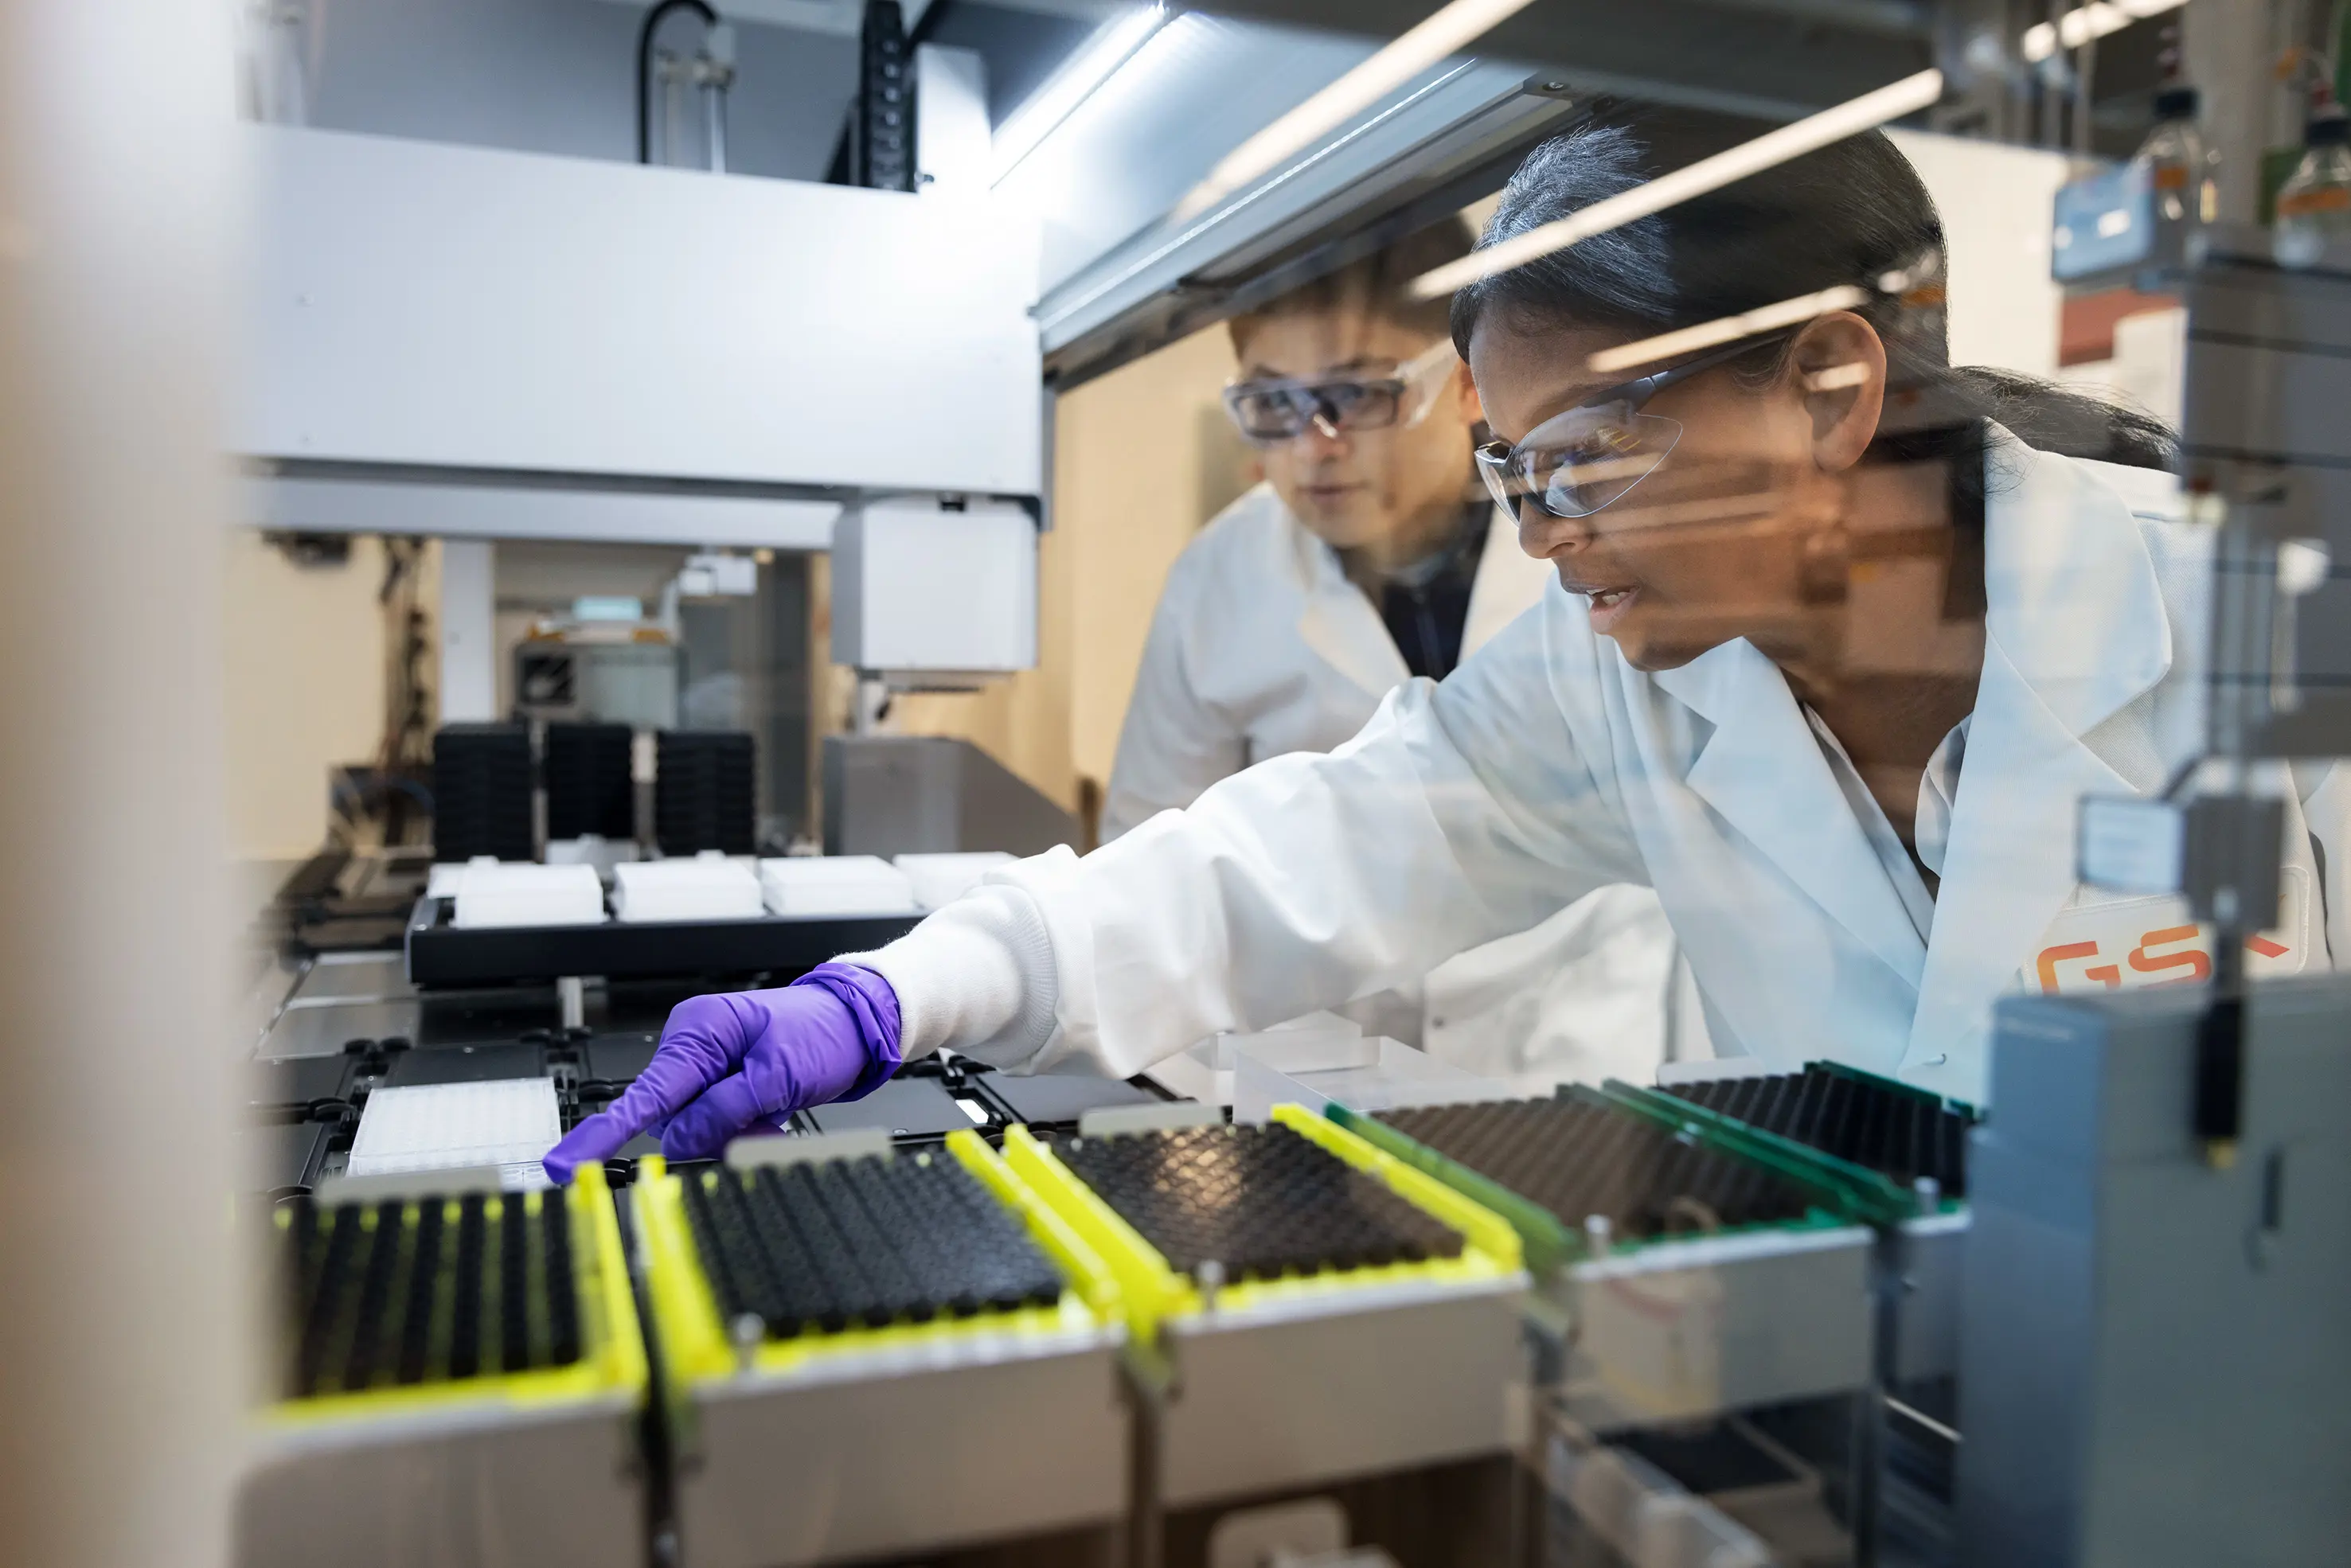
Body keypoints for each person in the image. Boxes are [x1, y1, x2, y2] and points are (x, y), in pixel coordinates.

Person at [545, 115, 2341, 1182]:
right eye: (1510, 470)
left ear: (1827, 392)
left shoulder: (2259, 638)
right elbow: (1307, 843)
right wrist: (895, 995)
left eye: (1580, 459)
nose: (1542, 534)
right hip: (1879, 1379)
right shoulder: (1630, 675)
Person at [1103, 220, 1689, 1086]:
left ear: (1464, 386)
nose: (1313, 447)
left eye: (1357, 394)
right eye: (1274, 405)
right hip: (1313, 1078)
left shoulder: (1593, 541)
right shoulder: (1218, 577)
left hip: (1572, 1067)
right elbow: (1145, 855)